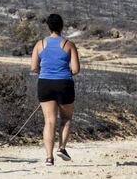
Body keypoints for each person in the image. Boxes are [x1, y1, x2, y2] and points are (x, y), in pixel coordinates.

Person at [31, 14, 80, 166]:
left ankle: (48, 158)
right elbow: (76, 69)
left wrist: (46, 73)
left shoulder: (40, 44)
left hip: (45, 83)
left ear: (48, 26)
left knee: (49, 121)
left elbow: (33, 68)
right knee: (66, 119)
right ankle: (62, 148)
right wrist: (63, 73)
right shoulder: (68, 44)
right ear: (62, 26)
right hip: (64, 83)